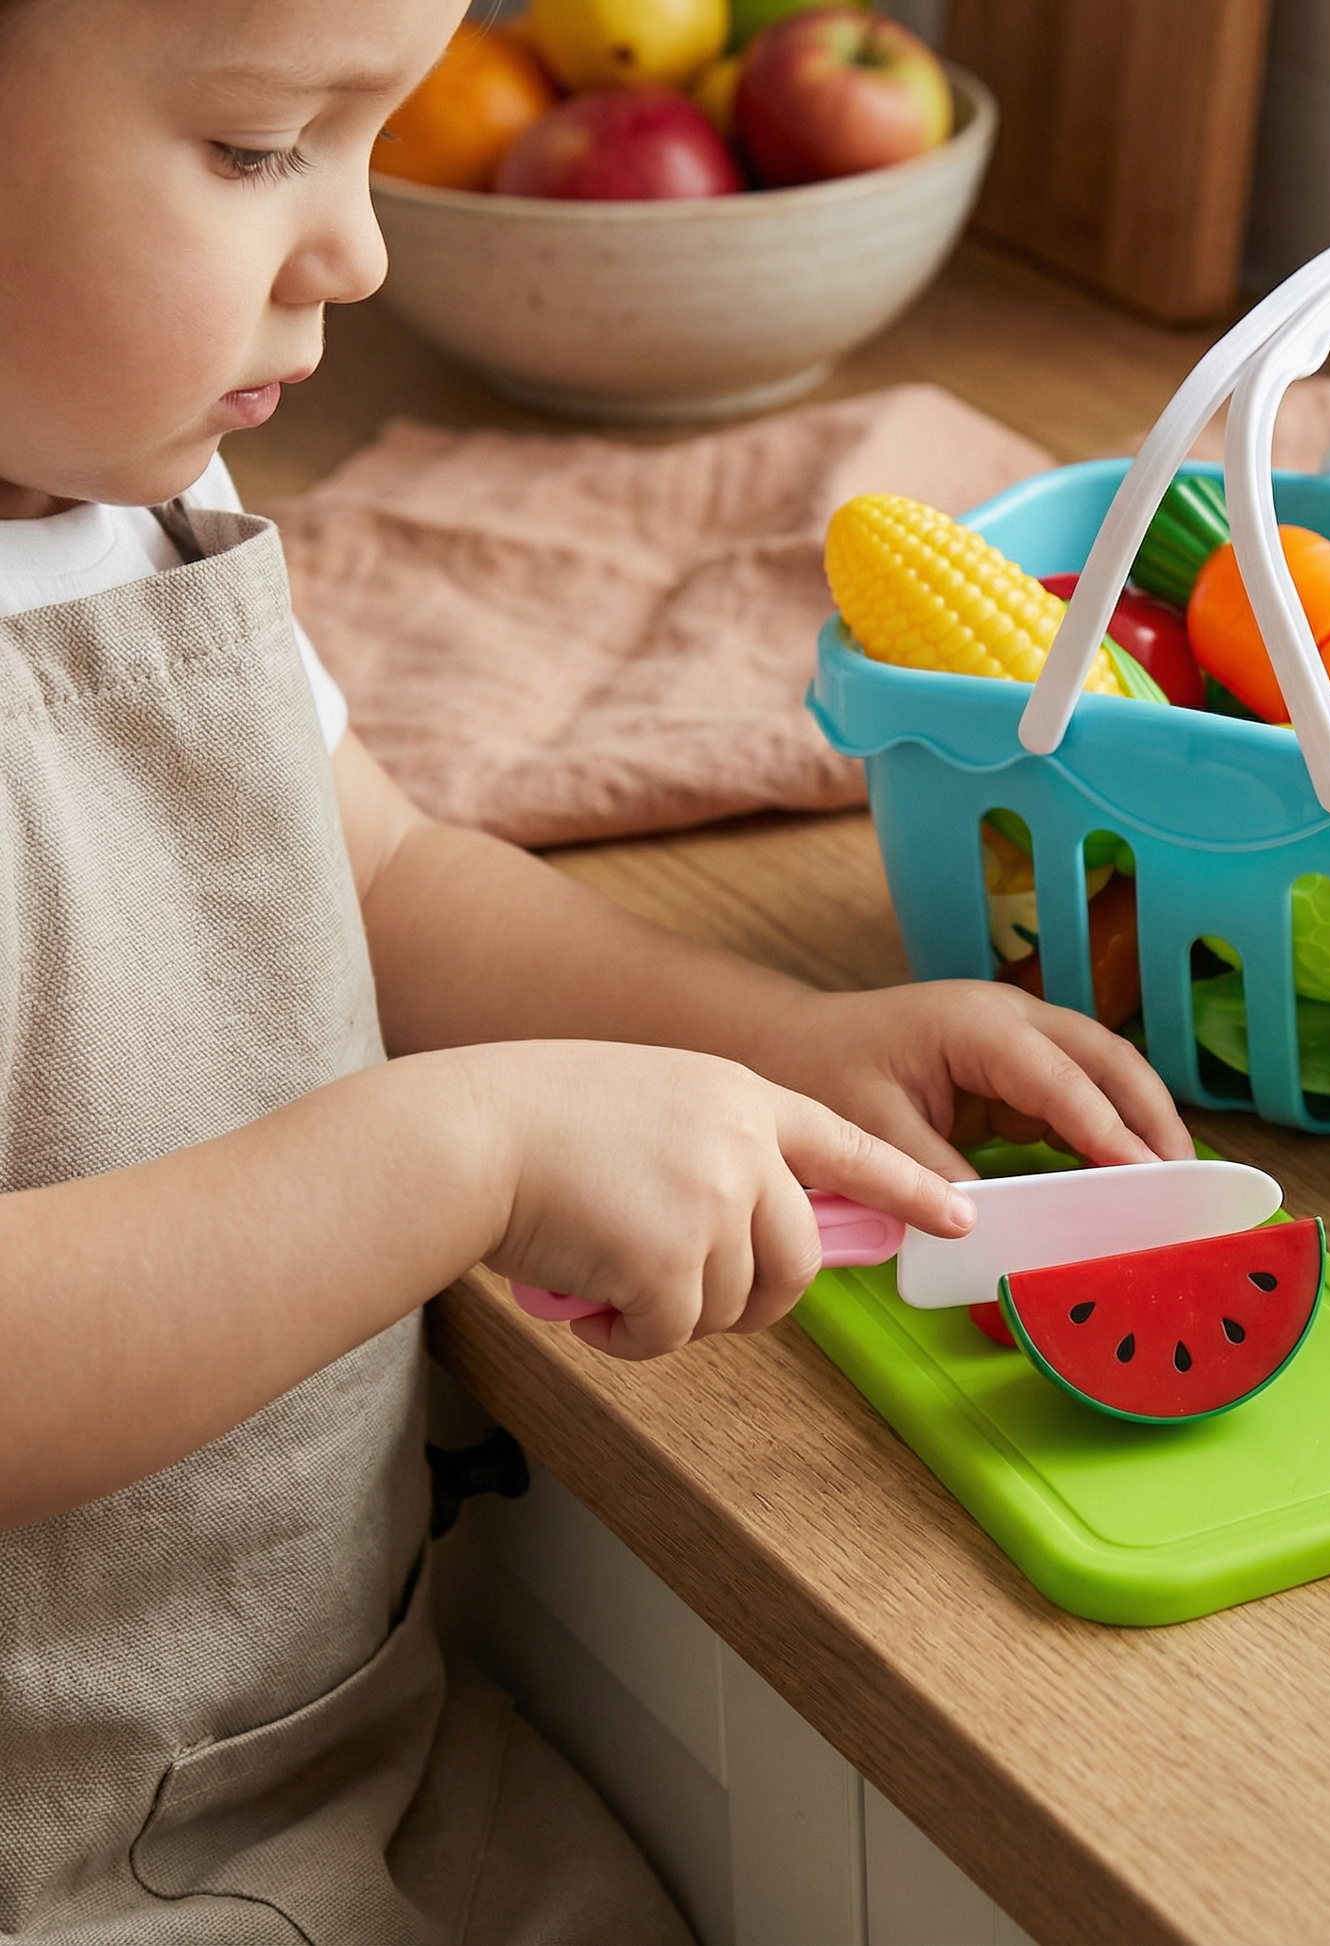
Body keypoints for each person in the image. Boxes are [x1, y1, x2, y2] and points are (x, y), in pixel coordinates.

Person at [0, 0, 1193, 1936]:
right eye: (254, 149)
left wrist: (788, 1043)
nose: (362, 253)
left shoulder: (122, 523)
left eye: (373, 140)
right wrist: (459, 1153)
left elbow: (379, 874)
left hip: (315, 1753)